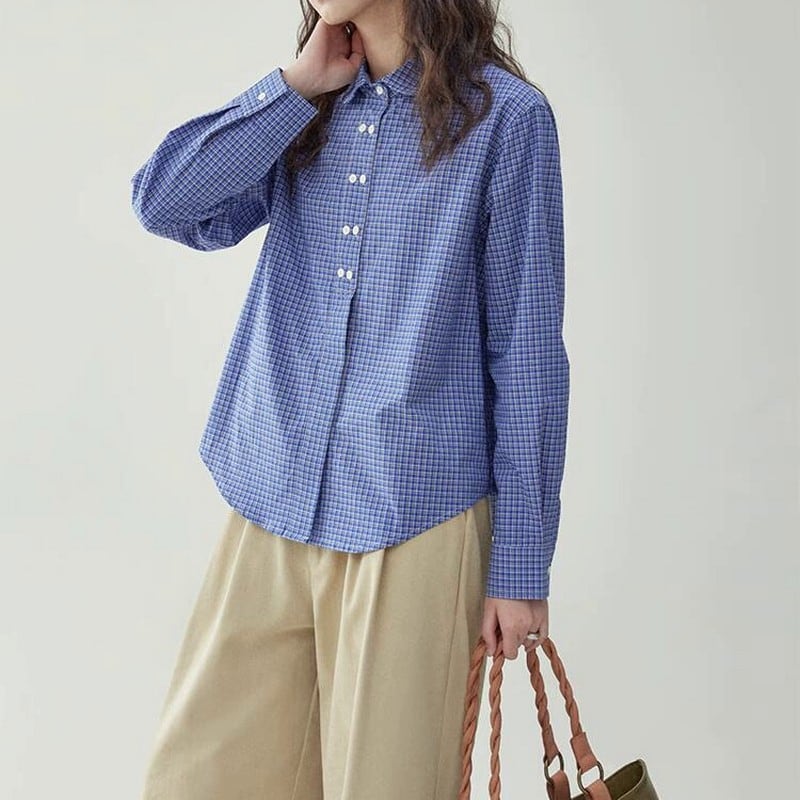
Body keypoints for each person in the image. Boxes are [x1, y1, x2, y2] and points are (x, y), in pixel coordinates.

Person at [130, 0, 569, 797]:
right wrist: (295, 87)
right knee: (193, 779)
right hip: (270, 503)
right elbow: (165, 203)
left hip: (415, 519)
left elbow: (527, 348)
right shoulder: (310, 104)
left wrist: (518, 565)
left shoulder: (508, 120)